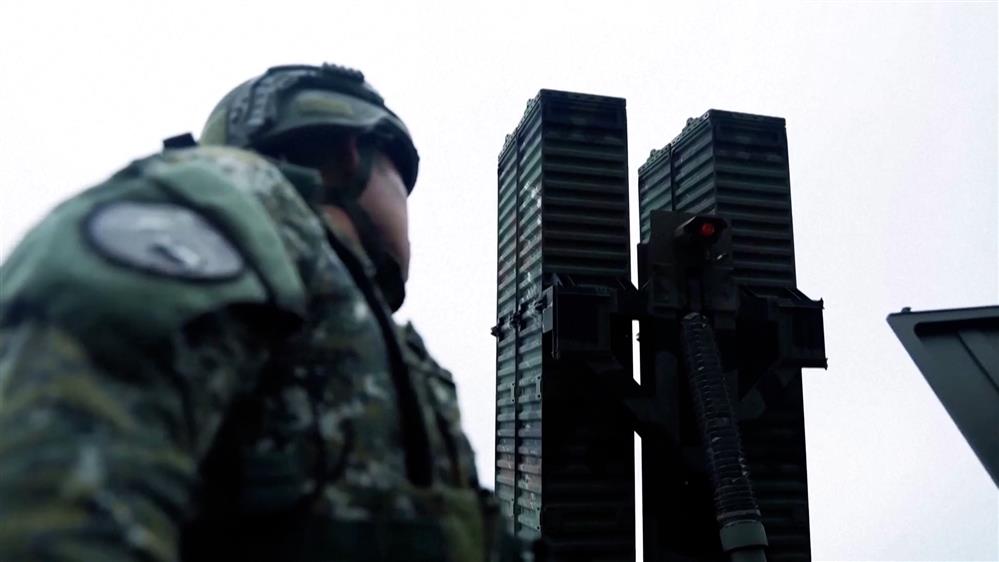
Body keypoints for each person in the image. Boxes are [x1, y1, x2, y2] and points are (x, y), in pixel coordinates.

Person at [0, 63, 522, 562]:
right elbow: (51, 494)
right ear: (351, 155)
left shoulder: (354, 322)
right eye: (400, 181)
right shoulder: (233, 202)